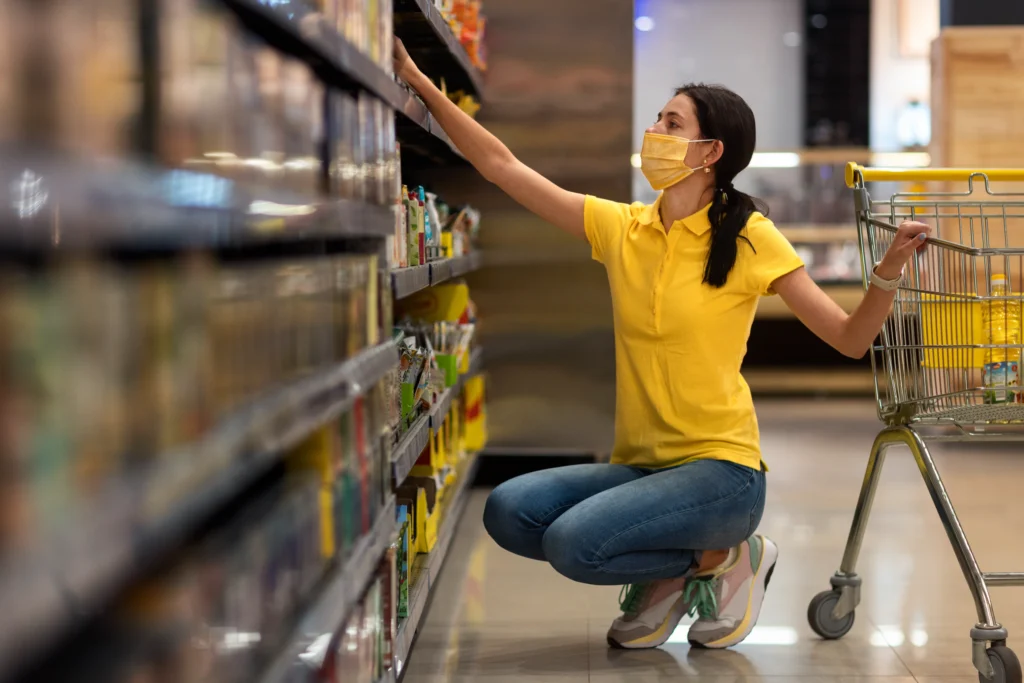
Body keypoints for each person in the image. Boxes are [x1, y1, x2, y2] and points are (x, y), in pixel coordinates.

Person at [393, 40, 930, 650]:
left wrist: (888, 271)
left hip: (720, 471)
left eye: (671, 123)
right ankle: (679, 572)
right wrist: (414, 78)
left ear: (710, 152)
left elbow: (849, 338)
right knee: (509, 511)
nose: (654, 130)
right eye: (657, 119)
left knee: (573, 543)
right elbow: (501, 166)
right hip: (642, 465)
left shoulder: (752, 237)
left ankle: (726, 557)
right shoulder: (624, 228)